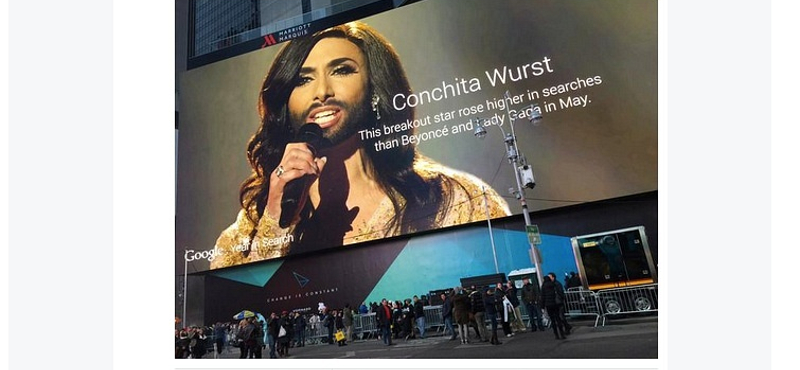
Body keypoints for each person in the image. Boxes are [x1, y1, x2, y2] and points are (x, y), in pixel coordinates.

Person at [209, 21, 510, 269]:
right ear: (285, 103)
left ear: (375, 89)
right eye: (302, 80)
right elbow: (240, 309)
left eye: (341, 70)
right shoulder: (251, 224)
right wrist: (276, 217)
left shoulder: (456, 198)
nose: (322, 92)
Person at [540, 272, 572, 340]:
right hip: (555, 304)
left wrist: (542, 306)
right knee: (558, 318)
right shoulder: (553, 285)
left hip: (548, 305)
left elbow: (542, 297)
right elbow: (559, 293)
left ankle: (556, 334)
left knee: (553, 320)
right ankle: (562, 333)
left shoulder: (543, 287)